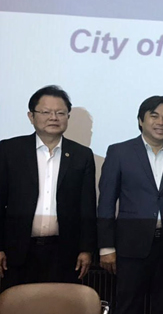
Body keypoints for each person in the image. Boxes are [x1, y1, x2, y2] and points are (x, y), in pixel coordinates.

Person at [97, 96, 163, 314]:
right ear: (141, 120)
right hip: (129, 247)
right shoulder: (119, 152)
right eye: (154, 116)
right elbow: (106, 202)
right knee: (126, 311)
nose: (161, 122)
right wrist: (106, 247)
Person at [0, 85, 96, 290]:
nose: (54, 117)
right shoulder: (9, 150)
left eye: (60, 113)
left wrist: (86, 249)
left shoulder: (82, 155)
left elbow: (86, 206)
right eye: (46, 112)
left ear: (67, 117)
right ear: (31, 116)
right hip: (16, 252)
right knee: (16, 313)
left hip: (63, 252)